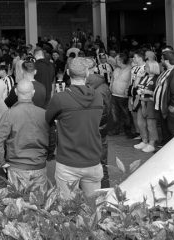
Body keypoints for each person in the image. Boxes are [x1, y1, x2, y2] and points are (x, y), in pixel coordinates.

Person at [46, 57, 104, 199]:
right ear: (87, 73)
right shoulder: (98, 96)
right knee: (94, 207)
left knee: (67, 209)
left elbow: (48, 119)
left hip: (68, 161)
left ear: (67, 72)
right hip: (93, 159)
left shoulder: (60, 99)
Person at [0, 80, 54, 192]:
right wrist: (49, 155)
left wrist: (0, 162)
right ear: (33, 92)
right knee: (39, 203)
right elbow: (52, 138)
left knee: (18, 204)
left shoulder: (10, 114)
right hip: (38, 164)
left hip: (17, 166)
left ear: (16, 92)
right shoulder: (44, 114)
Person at [87, 58, 111, 188]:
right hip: (98, 131)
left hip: (97, 131)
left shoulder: (98, 88)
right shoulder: (99, 85)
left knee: (100, 166)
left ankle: (104, 194)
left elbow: (103, 113)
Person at [134, 60, 160, 153]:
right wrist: (138, 77)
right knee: (140, 123)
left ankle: (151, 143)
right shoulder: (144, 77)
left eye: (147, 67)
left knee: (150, 125)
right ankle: (144, 141)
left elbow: (159, 93)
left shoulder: (157, 78)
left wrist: (148, 92)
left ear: (153, 68)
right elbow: (136, 87)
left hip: (150, 103)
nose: (145, 68)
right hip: (141, 102)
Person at [110, 53, 132, 136]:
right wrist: (111, 86)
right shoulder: (116, 69)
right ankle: (116, 130)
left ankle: (128, 131)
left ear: (121, 60)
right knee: (115, 114)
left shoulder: (130, 69)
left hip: (124, 96)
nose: (115, 60)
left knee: (126, 114)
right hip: (114, 95)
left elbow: (130, 82)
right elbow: (112, 78)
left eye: (117, 59)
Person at [129, 50, 147, 139]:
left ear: (140, 58)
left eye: (135, 57)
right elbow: (131, 80)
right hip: (132, 92)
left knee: (141, 114)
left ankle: (143, 134)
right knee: (133, 113)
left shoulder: (145, 68)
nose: (133, 58)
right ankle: (138, 132)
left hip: (140, 93)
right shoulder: (134, 67)